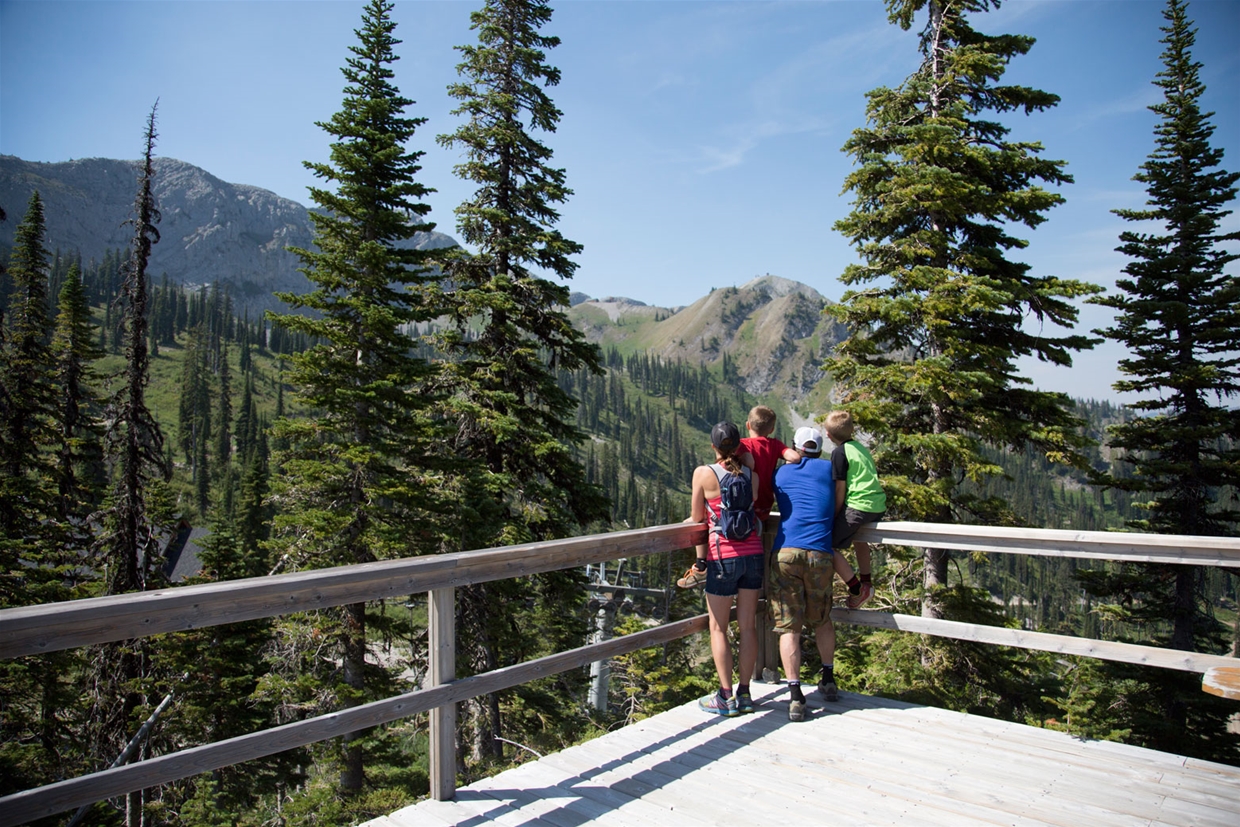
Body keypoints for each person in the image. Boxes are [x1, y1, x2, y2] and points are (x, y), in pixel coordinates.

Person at [769, 426, 865, 720]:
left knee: (789, 626)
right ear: (820, 449)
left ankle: (796, 695)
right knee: (822, 619)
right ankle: (828, 678)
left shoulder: (781, 473)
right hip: (821, 553)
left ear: (796, 448)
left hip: (786, 552)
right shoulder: (828, 470)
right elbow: (840, 495)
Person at [688, 421, 765, 717]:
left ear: (713, 447)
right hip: (754, 554)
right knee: (748, 626)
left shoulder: (704, 474)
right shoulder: (752, 476)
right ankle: (745, 694)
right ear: (738, 446)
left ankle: (725, 696)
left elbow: (697, 518)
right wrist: (749, 462)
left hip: (723, 558)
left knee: (718, 627)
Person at [677, 406, 797, 588]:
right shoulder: (773, 447)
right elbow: (793, 457)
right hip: (760, 516)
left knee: (703, 517)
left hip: (738, 525)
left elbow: (750, 462)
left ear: (748, 425)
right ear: (771, 429)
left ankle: (701, 565)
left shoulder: (743, 446)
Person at [825, 410, 886, 610]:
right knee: (860, 538)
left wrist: (834, 514)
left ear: (829, 435)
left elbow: (840, 488)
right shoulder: (860, 447)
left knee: (826, 546)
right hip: (876, 506)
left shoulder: (839, 453)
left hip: (857, 506)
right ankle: (866, 580)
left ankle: (857, 589)